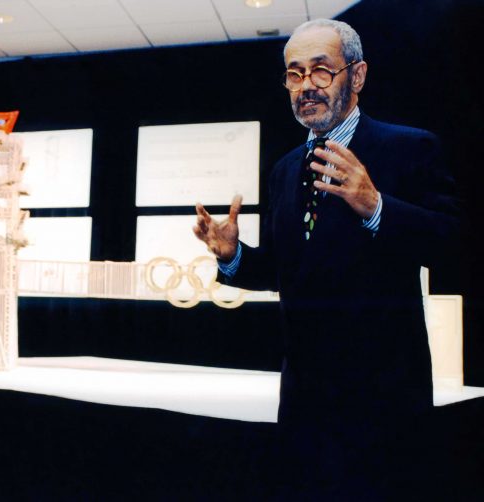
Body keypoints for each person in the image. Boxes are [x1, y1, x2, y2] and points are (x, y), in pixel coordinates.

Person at [193, 19, 460, 499]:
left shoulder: (409, 148)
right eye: (294, 75)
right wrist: (233, 255)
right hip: (304, 400)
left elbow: (453, 244)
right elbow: (283, 270)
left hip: (384, 400)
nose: (305, 87)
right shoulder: (284, 169)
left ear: (356, 77)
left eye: (321, 71)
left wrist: (376, 205)